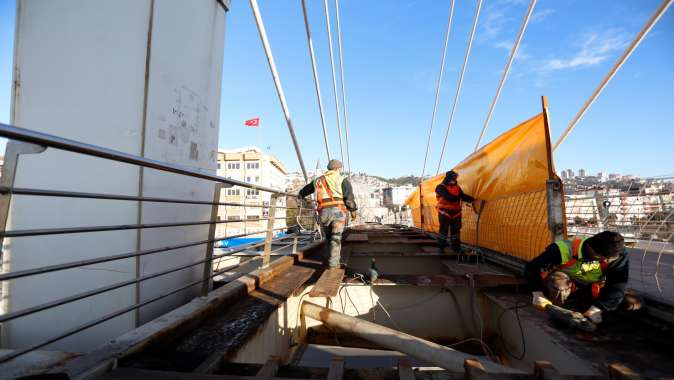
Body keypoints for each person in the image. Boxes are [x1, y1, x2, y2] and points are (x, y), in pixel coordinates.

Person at [524, 231, 641, 325]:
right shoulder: (563, 249)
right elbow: (532, 268)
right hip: (567, 287)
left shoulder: (617, 255)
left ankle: (588, 312)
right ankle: (560, 311)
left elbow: (617, 284)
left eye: (609, 259)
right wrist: (537, 293)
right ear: (591, 249)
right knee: (558, 285)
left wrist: (599, 308)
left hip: (591, 289)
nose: (606, 261)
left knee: (632, 304)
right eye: (601, 258)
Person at [299, 159, 357, 269]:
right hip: (338, 212)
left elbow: (305, 190)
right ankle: (333, 264)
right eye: (340, 169)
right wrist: (353, 211)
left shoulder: (318, 180)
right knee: (336, 238)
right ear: (337, 168)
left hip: (323, 212)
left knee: (328, 237)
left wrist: (301, 195)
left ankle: (326, 260)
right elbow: (349, 198)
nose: (340, 171)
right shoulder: (342, 179)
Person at [435, 170, 475, 253]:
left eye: (456, 177)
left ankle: (456, 247)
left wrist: (472, 199)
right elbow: (449, 197)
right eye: (454, 177)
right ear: (449, 178)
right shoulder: (440, 187)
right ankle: (441, 248)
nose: (455, 179)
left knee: (456, 231)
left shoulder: (457, 187)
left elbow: (462, 196)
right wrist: (460, 198)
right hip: (444, 211)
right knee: (443, 230)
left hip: (456, 212)